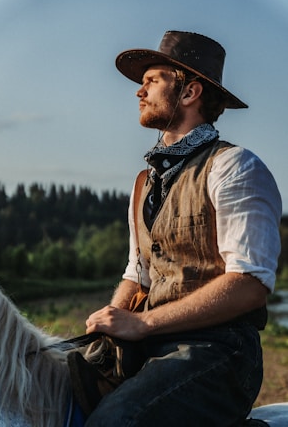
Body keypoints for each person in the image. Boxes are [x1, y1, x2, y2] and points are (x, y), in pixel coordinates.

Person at [84, 31, 282, 426]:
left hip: (219, 351)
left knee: (116, 421)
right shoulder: (144, 183)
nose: (139, 93)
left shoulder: (235, 167)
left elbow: (249, 283)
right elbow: (137, 273)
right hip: (151, 347)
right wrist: (109, 320)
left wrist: (142, 323)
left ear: (190, 92)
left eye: (152, 81)